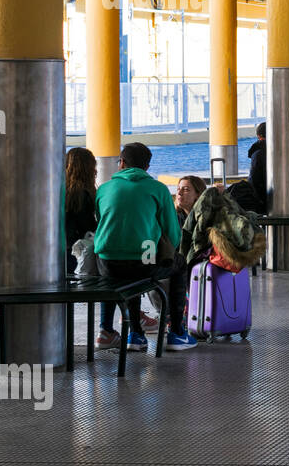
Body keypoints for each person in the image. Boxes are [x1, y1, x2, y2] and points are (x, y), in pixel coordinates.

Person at [93, 142, 195, 353]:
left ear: (121, 163)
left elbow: (101, 222)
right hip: (143, 263)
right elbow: (174, 234)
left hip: (106, 264)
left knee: (124, 269)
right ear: (147, 167)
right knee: (178, 264)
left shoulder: (103, 189)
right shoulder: (157, 189)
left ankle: (134, 334)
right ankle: (176, 332)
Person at [63, 147, 99, 274]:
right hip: (75, 252)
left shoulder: (58, 189)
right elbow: (88, 228)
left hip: (55, 250)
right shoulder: (82, 194)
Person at [248, 122, 267, 213]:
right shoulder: (280, 150)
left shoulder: (257, 153)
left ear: (258, 136)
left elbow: (253, 180)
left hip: (262, 200)